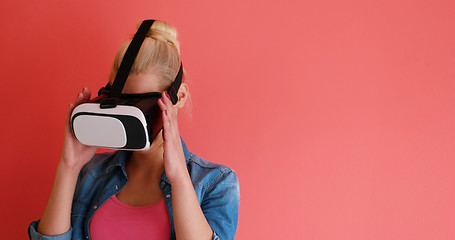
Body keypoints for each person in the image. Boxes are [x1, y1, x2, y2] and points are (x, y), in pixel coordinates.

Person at [28, 20, 240, 240]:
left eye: (144, 104)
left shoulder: (216, 183)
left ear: (180, 96)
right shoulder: (91, 172)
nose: (133, 115)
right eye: (124, 101)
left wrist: (179, 178)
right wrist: (69, 166)